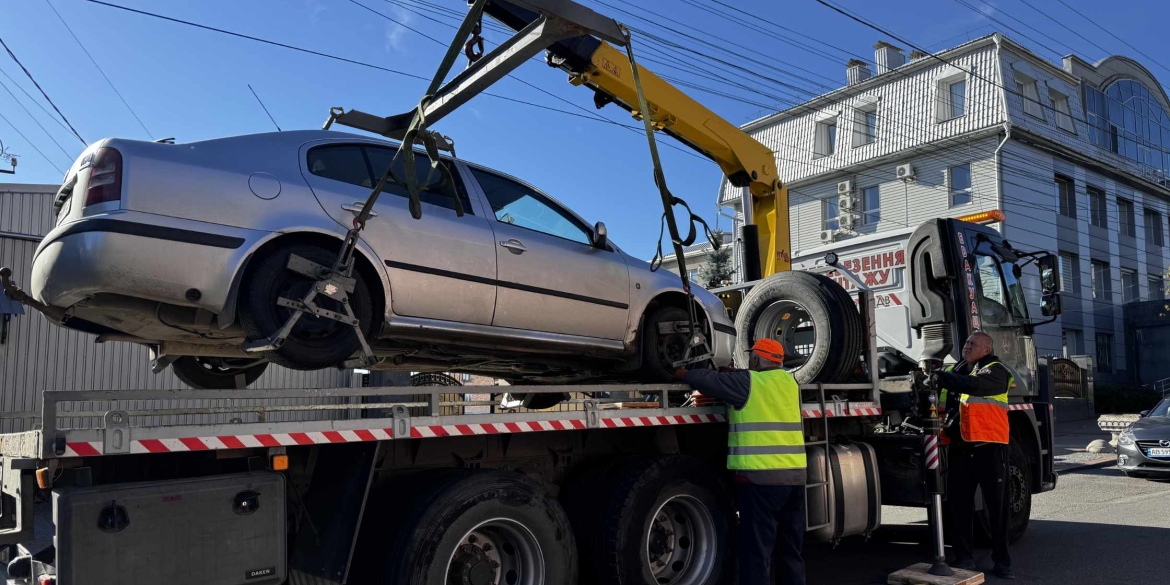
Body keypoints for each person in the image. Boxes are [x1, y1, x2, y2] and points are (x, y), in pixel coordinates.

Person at [673, 338, 806, 585]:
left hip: (760, 481)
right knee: (790, 550)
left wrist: (684, 373)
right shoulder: (790, 382)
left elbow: (709, 381)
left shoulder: (747, 383)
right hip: (794, 479)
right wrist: (736, 373)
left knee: (756, 553)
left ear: (757, 358)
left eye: (752, 356)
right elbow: (758, 384)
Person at [931, 331, 1015, 580]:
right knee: (959, 507)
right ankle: (964, 557)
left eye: (973, 344)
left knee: (997, 509)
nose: (967, 346)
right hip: (960, 449)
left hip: (989, 449)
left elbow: (975, 386)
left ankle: (1002, 561)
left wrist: (941, 378)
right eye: (966, 342)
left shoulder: (996, 370)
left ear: (986, 349)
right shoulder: (957, 371)